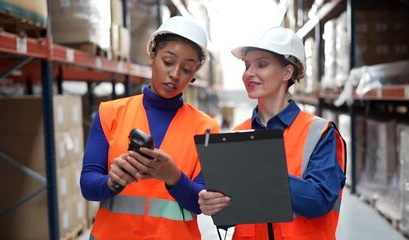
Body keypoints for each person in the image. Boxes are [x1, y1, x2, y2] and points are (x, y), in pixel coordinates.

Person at [198, 26, 346, 240]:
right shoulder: (238, 134)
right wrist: (213, 203)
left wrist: (260, 175)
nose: (249, 73)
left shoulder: (319, 132)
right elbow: (229, 217)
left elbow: (319, 200)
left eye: (262, 64)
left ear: (287, 72)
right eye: (247, 65)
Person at [80, 16, 220, 240]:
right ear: (152, 57)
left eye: (186, 68)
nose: (175, 74)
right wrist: (112, 181)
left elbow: (201, 203)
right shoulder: (110, 114)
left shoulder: (206, 128)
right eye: (168, 61)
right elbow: (87, 186)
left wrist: (173, 176)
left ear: (194, 74)